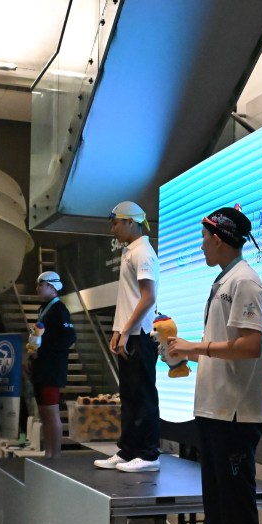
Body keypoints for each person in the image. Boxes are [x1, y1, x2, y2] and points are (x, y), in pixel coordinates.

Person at [167, 207, 262, 524]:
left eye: (205, 237)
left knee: (237, 512)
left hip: (235, 415)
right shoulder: (224, 279)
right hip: (213, 411)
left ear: (221, 238)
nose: (202, 244)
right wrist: (184, 354)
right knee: (218, 510)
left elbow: (249, 346)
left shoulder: (245, 281)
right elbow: (225, 346)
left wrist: (197, 347)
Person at [94, 201, 161, 473]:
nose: (113, 229)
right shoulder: (130, 251)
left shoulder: (142, 252)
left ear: (130, 222)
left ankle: (148, 454)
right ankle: (128, 451)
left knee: (142, 395)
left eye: (116, 223)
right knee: (129, 395)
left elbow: (148, 297)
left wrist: (125, 330)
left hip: (140, 334)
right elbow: (128, 298)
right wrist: (117, 330)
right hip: (129, 333)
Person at [26, 271, 76, 458]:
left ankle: (55, 455)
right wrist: (32, 357)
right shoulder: (43, 309)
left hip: (51, 369)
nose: (37, 288)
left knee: (51, 412)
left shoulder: (59, 309)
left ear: (53, 287)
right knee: (44, 413)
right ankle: (48, 452)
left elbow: (69, 338)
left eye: (41, 285)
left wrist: (44, 351)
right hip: (41, 367)